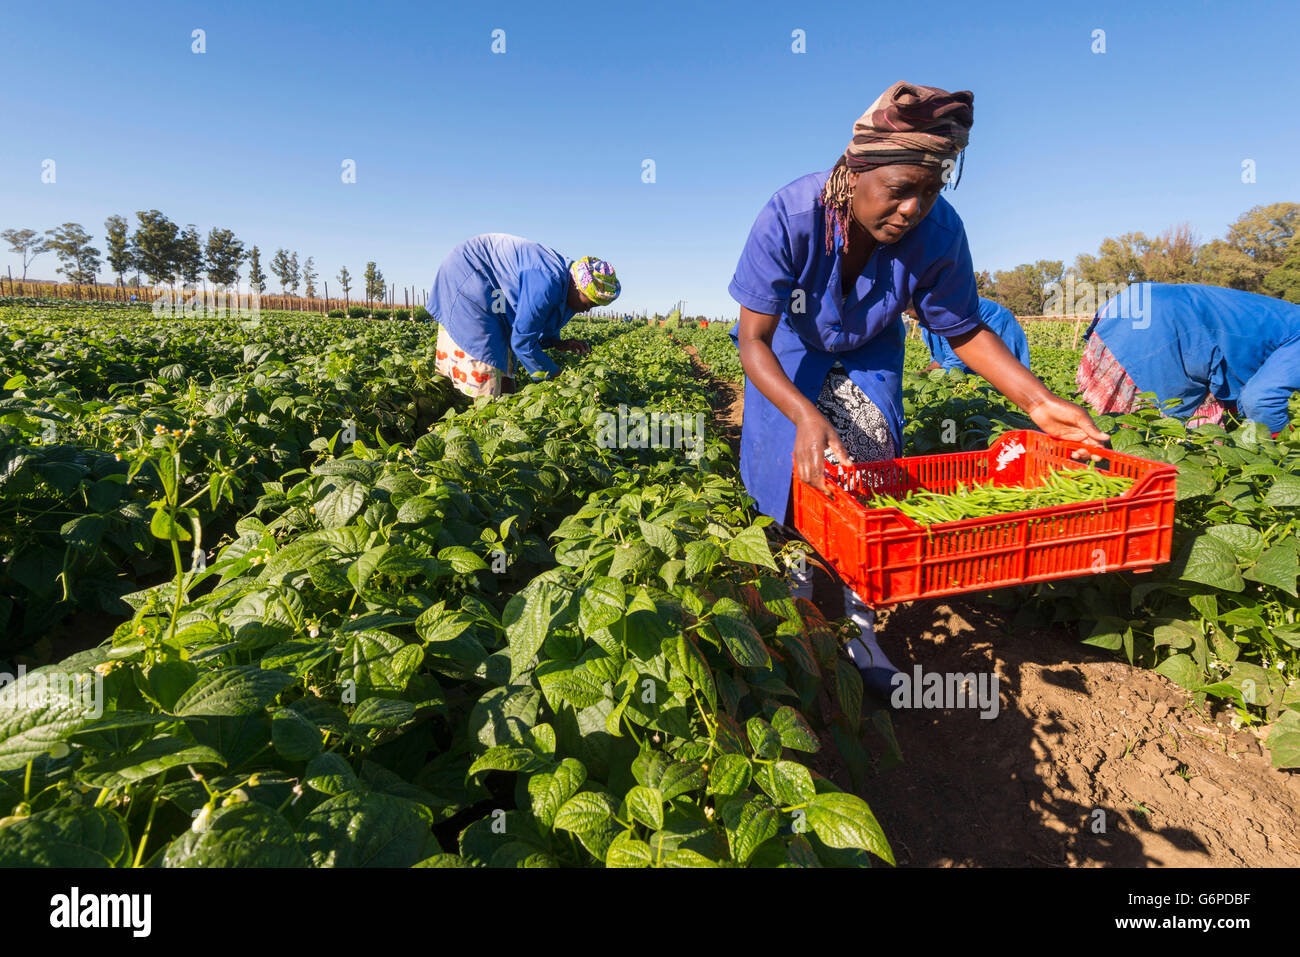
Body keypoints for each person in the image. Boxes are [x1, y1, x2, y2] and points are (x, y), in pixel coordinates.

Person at [728, 81, 1106, 700]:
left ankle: (859, 627)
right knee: (790, 472)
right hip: (787, 348)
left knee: (870, 467)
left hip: (870, 347)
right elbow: (753, 342)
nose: (912, 209)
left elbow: (962, 331)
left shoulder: (937, 232)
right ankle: (794, 597)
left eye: (930, 191)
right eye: (900, 190)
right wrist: (802, 415)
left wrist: (1038, 401)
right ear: (856, 175)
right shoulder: (792, 216)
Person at [1079, 282, 1300, 437]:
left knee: (1115, 432)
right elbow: (1261, 399)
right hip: (1166, 328)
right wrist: (1281, 448)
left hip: (1132, 302)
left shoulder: (1286, 315)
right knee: (1175, 438)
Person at [427, 233, 620, 397]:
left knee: (506, 355)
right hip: (469, 274)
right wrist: (559, 379)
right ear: (576, 286)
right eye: (589, 303)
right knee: (488, 358)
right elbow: (523, 343)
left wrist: (559, 343)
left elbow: (533, 327)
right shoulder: (546, 281)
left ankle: (504, 412)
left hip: (493, 285)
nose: (588, 309)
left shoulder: (566, 287)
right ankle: (487, 423)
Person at [920, 296, 1030, 374]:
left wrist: (936, 381)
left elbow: (956, 362)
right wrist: (922, 375)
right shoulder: (926, 326)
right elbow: (941, 359)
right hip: (975, 322)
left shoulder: (948, 314)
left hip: (997, 322)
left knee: (1007, 372)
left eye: (909, 310)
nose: (907, 315)